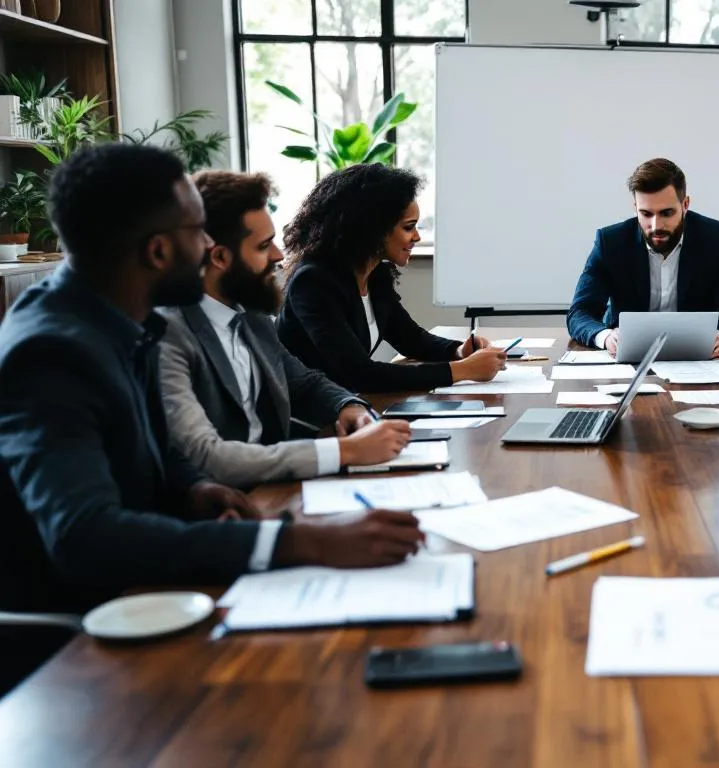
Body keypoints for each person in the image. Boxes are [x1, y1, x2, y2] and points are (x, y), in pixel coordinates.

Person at [0, 145, 426, 692]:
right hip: (89, 649)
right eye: (197, 231)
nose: (208, 247)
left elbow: (146, 452)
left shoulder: (117, 321)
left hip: (161, 594)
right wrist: (299, 542)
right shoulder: (54, 351)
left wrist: (194, 486)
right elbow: (86, 535)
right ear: (158, 251)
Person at [158, 170, 413, 488]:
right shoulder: (168, 334)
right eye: (264, 245)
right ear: (220, 257)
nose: (279, 255)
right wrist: (342, 451)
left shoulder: (250, 314)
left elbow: (303, 382)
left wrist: (350, 407)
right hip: (224, 502)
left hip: (275, 484)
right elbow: (209, 456)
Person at [275, 164, 506, 393]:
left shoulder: (375, 273)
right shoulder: (314, 282)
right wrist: (463, 370)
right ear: (373, 228)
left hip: (347, 408)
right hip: (309, 420)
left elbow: (410, 338)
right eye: (408, 227)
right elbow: (360, 374)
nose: (416, 237)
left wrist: (459, 351)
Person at [566, 158, 719, 357]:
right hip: (628, 359)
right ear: (635, 207)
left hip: (696, 358)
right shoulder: (610, 242)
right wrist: (605, 336)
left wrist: (718, 335)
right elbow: (580, 312)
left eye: (666, 213)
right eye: (645, 213)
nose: (655, 226)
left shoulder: (717, 238)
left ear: (685, 204)